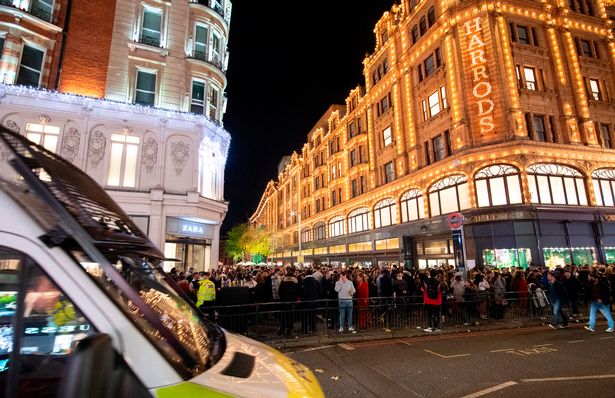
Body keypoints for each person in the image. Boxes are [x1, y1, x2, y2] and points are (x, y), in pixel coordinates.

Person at [300, 270, 321, 334]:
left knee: (305, 316)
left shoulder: (303, 282)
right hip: (314, 301)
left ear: (306, 274)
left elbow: (303, 293)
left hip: (305, 302)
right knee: (312, 315)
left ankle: (305, 329)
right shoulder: (316, 281)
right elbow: (320, 291)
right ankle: (312, 328)